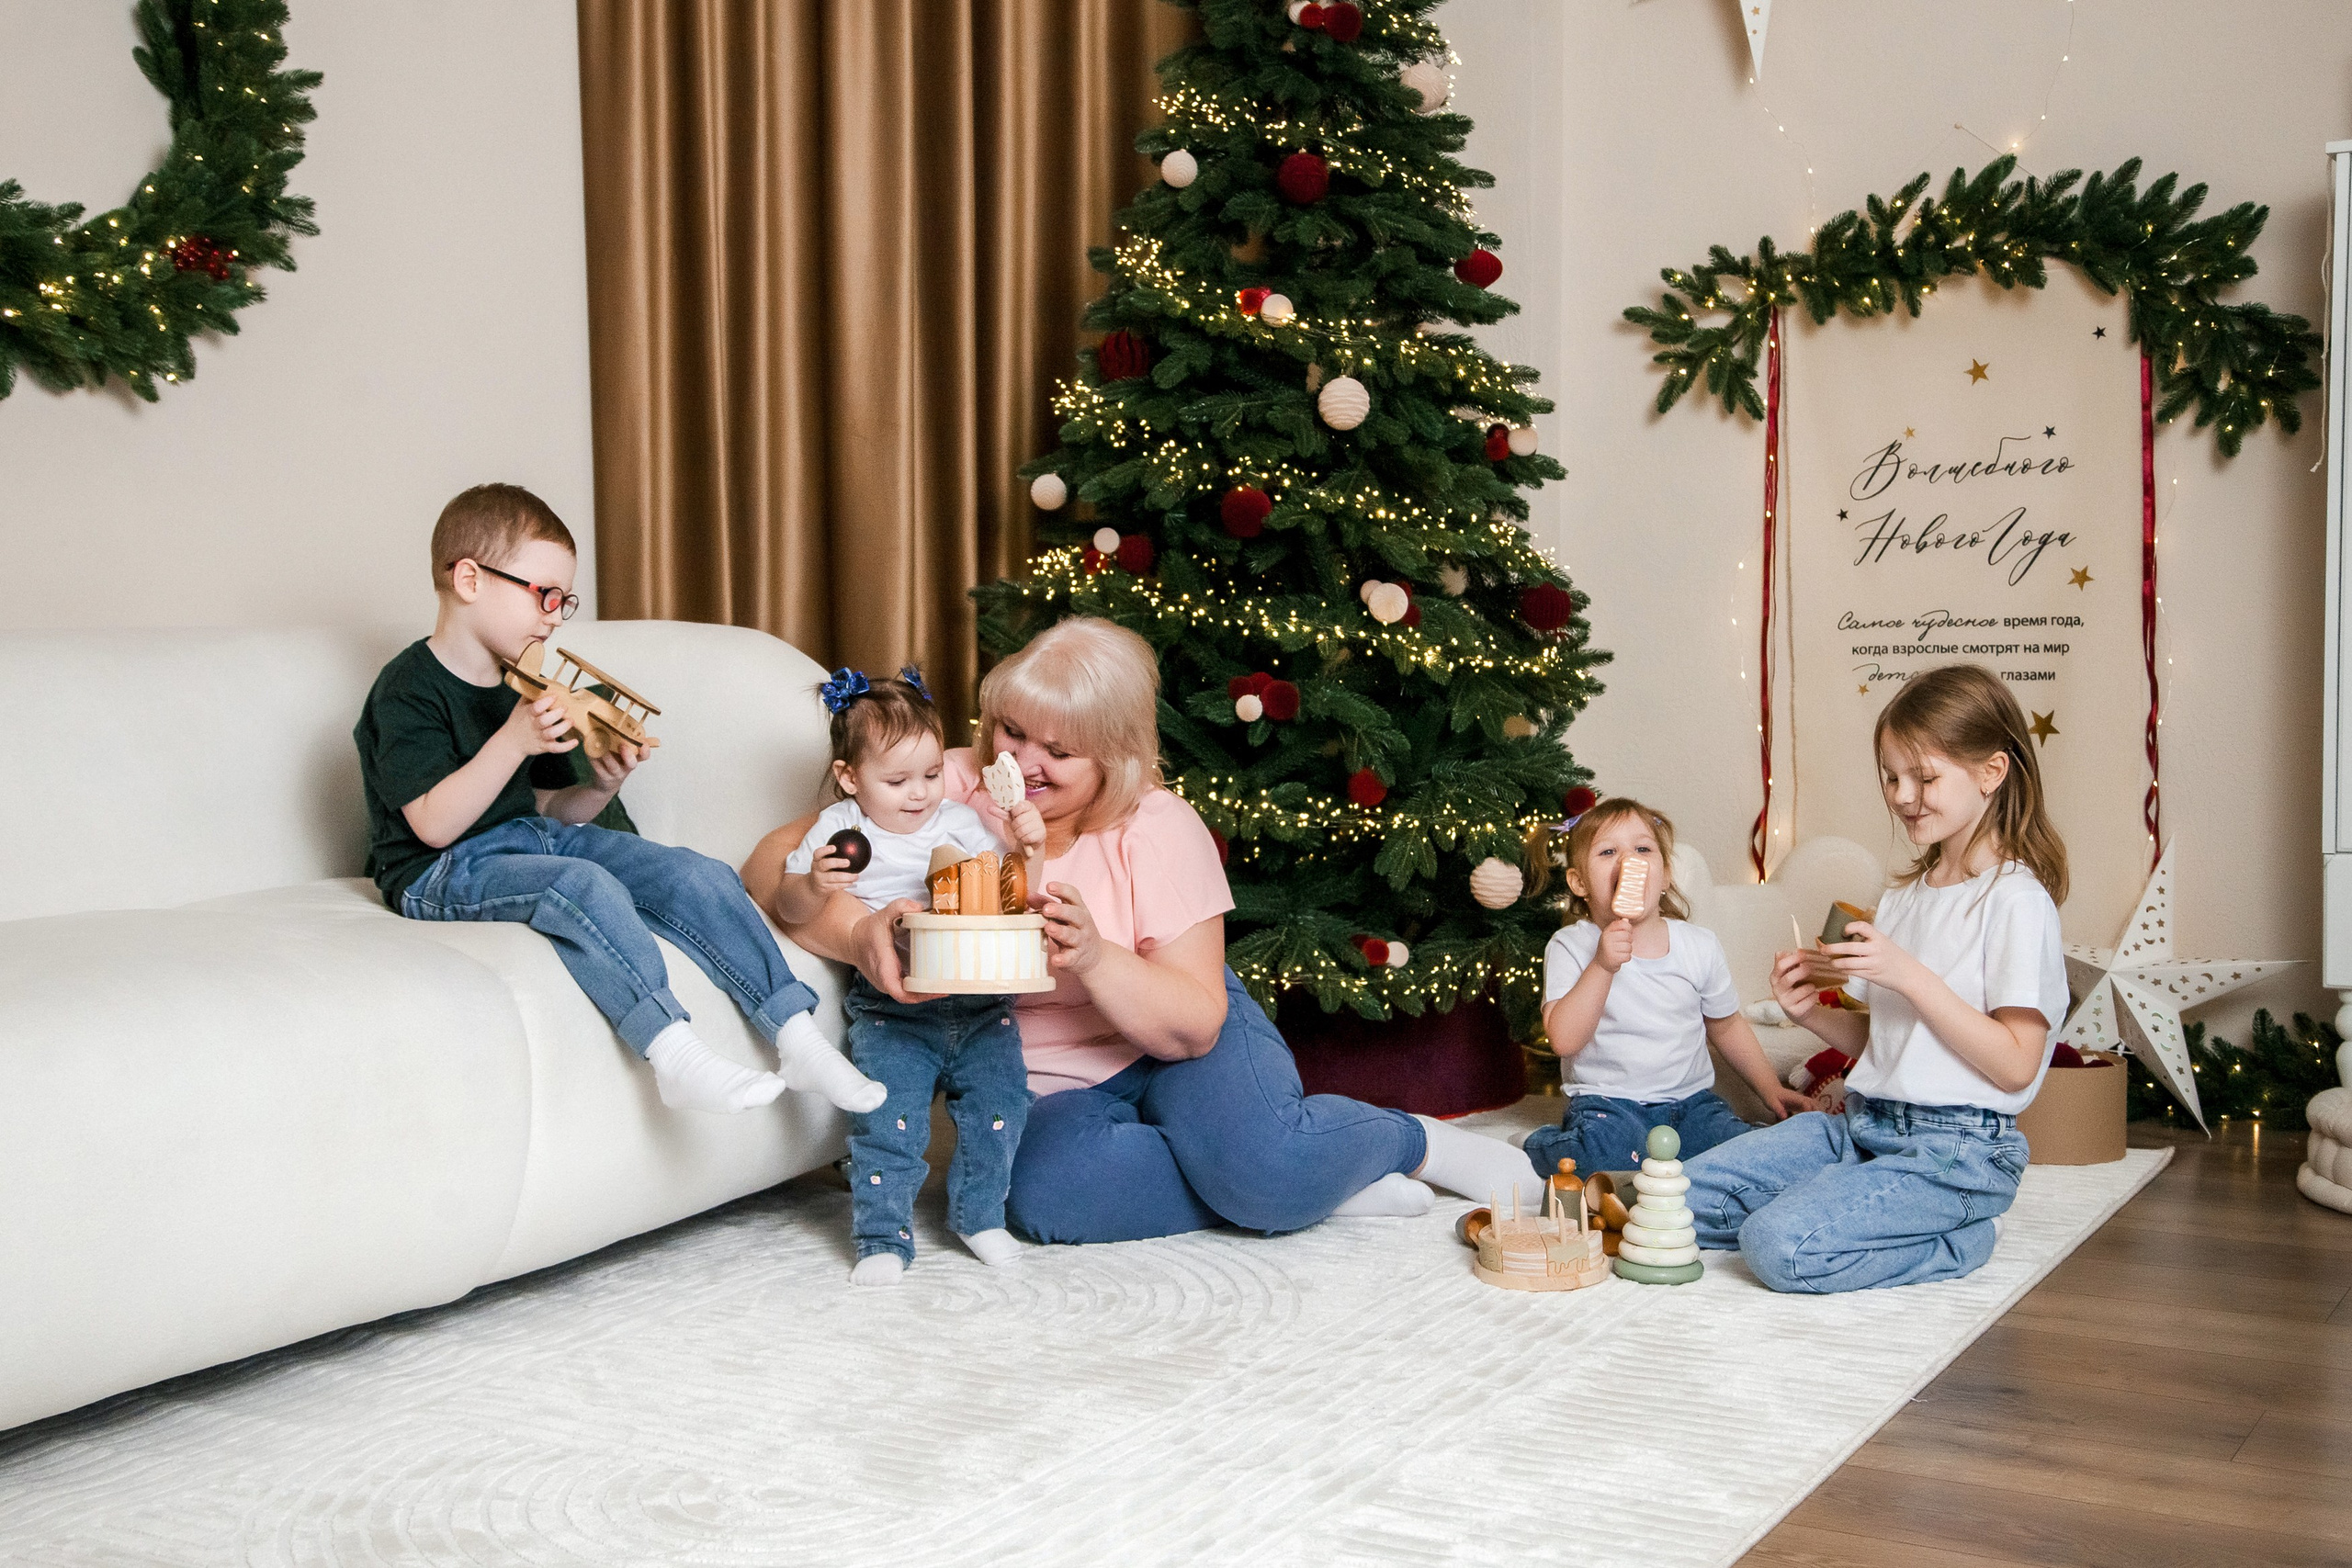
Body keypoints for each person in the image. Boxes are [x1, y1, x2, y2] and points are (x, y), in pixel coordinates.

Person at [744, 616, 1540, 1243]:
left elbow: (1195, 1024)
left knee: (1264, 1167)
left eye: (1060, 749)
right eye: (1012, 731)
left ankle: (1406, 1143)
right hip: (1052, 1073)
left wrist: (1093, 956)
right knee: (1040, 1198)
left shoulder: (1158, 825)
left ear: (1113, 756)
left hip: (1177, 1032)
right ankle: (1299, 1184)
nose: (1024, 762)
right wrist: (862, 935)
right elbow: (771, 863)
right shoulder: (945, 784)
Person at [354, 482, 884, 1117]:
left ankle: (797, 1036)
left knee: (694, 873)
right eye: (544, 594)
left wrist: (601, 786)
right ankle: (673, 1053)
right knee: (582, 886)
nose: (555, 615)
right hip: (437, 870)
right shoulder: (408, 687)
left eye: (564, 599)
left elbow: (549, 811)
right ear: (469, 579)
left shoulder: (525, 683)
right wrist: (512, 740)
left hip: (528, 840)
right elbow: (434, 826)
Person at [1680, 663, 2069, 1292]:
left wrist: (1909, 974)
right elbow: (1891, 1042)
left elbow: (2017, 1065)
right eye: (1892, 777)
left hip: (1957, 1154)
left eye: (1925, 778)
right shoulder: (1904, 898)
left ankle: (1959, 1236)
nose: (1904, 796)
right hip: (1862, 1126)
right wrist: (1810, 1013)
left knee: (1778, 1246)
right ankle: (1849, 1202)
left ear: (1992, 772)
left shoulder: (2016, 902)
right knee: (1675, 1201)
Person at [772, 666, 1045, 1286]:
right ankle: (881, 1237)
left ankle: (979, 1215)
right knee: (887, 1123)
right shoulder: (840, 829)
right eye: (896, 780)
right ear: (850, 777)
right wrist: (812, 884)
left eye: (931, 774)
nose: (919, 793)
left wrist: (1026, 846)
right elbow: (788, 907)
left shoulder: (961, 823)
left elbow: (1007, 894)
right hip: (892, 1009)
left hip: (980, 1001)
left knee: (1001, 1108)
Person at [1521, 797, 1809, 1179]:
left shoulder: (1698, 945)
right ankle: (1543, 1145)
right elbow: (1564, 1039)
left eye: (1642, 849)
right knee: (1603, 1163)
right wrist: (1602, 966)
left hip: (1691, 1105)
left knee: (1745, 1156)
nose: (1629, 860)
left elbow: (1726, 1025)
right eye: (1608, 852)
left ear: (1666, 875)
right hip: (1610, 1105)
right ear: (1579, 883)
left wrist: (1770, 1089)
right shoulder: (1571, 946)